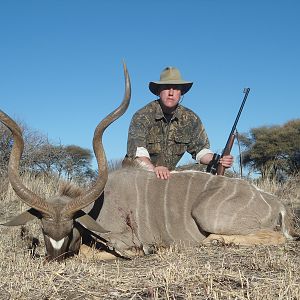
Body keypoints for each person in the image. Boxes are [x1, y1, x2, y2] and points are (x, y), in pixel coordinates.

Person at [124, 66, 233, 179]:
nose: (171, 93)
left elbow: (201, 151)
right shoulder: (142, 115)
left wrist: (219, 159)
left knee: (205, 175)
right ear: (158, 91)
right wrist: (154, 169)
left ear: (181, 92)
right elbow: (138, 153)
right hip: (137, 175)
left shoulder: (190, 118)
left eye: (176, 88)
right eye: (166, 87)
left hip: (167, 176)